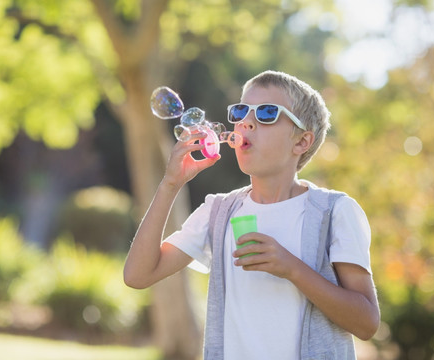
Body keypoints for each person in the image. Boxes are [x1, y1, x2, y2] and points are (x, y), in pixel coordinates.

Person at [124, 70, 380, 360]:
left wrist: (292, 268)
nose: (246, 122)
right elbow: (137, 275)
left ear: (301, 142)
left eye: (267, 114)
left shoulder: (335, 212)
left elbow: (367, 323)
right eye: (241, 111)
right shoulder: (218, 212)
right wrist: (171, 184)